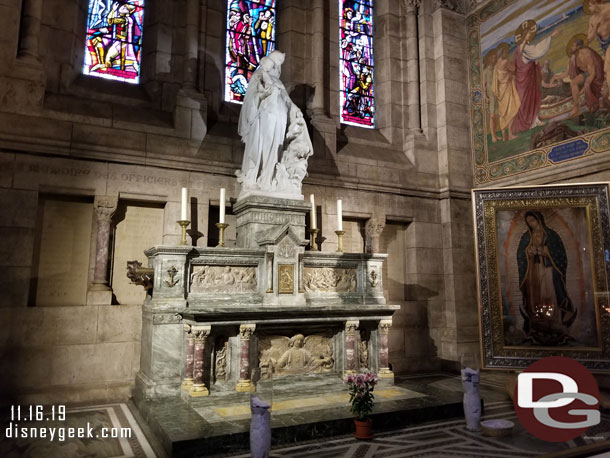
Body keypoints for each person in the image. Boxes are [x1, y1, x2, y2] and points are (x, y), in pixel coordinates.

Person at [516, 211, 577, 345]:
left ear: (539, 220)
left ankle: (554, 322)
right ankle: (537, 321)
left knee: (549, 293)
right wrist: (528, 253)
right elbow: (521, 254)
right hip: (532, 271)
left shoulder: (551, 235)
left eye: (533, 220)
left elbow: (559, 253)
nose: (531, 224)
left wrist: (545, 251)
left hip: (548, 270)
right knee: (535, 295)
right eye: (528, 222)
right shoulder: (527, 237)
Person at [511, 20, 559, 135]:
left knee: (531, 98)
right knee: (526, 100)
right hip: (524, 79)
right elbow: (537, 50)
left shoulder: (523, 48)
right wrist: (550, 36)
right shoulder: (523, 47)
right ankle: (530, 122)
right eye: (528, 34)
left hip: (526, 78)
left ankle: (534, 120)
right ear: (523, 36)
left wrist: (534, 63)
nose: (530, 36)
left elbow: (529, 59)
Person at [551, 36, 604, 116]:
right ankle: (576, 107)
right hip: (585, 74)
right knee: (573, 82)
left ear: (578, 47)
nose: (571, 48)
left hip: (595, 74)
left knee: (576, 83)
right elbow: (566, 73)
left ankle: (576, 107)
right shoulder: (573, 58)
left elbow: (592, 73)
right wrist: (555, 77)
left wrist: (586, 84)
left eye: (573, 46)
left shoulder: (586, 55)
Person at [492, 43, 520, 141]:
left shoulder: (496, 66)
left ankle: (504, 136)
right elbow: (513, 69)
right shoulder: (505, 61)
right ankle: (511, 134)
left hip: (500, 91)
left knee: (503, 114)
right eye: (505, 52)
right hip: (507, 89)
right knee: (511, 110)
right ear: (502, 53)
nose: (506, 54)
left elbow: (496, 80)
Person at [586, 0, 610, 105]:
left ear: (595, 3)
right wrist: (595, 27)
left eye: (590, 6)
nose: (589, 9)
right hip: (604, 45)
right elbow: (589, 38)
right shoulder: (592, 20)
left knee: (606, 68)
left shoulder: (607, 8)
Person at [483, 48, 500, 142]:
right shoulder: (485, 71)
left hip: (497, 93)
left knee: (497, 116)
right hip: (490, 95)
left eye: (495, 58)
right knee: (492, 116)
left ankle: (496, 134)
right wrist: (485, 96)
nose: (494, 60)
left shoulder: (495, 69)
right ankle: (493, 136)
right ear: (489, 59)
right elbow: (483, 85)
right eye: (492, 58)